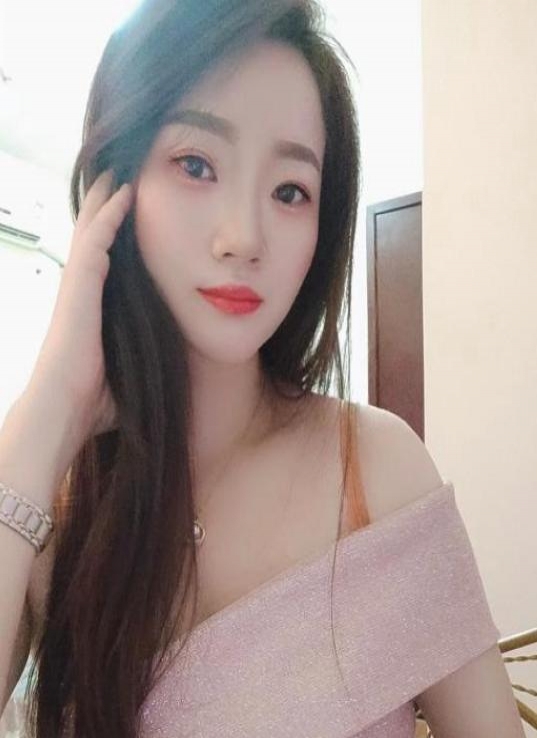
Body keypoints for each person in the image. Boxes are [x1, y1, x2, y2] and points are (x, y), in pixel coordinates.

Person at [0, 1, 524, 736]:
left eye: (289, 191)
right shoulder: (51, 504)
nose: (243, 236)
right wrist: (47, 412)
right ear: (111, 188)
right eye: (196, 165)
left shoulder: (376, 470)